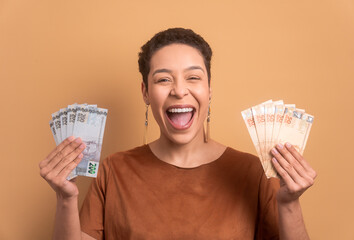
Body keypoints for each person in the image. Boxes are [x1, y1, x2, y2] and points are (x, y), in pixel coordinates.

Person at [39, 28, 317, 240]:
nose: (179, 90)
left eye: (193, 77)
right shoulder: (113, 170)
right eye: (163, 79)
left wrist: (290, 203)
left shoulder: (251, 172)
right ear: (146, 92)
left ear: (209, 89)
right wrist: (66, 199)